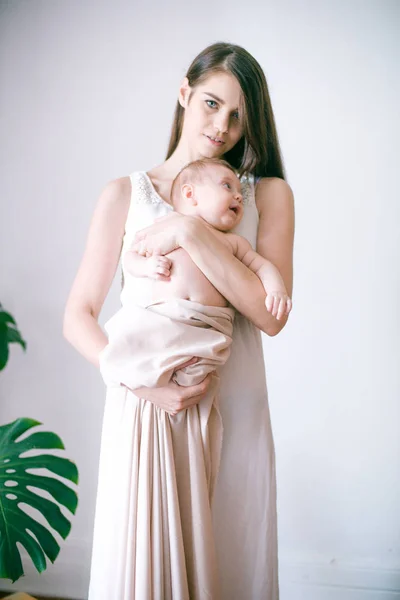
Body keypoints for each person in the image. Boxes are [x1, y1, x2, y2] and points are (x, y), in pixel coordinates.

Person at [63, 41, 294, 600]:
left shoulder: (264, 196)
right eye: (212, 103)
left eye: (239, 115)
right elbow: (79, 316)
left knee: (229, 559)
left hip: (233, 406)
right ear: (185, 93)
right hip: (144, 405)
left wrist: (190, 232)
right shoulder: (125, 194)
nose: (223, 126)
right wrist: (143, 384)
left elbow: (269, 315)